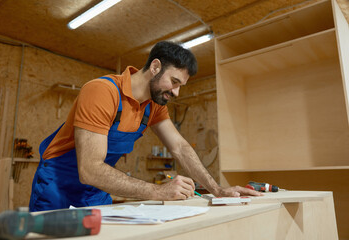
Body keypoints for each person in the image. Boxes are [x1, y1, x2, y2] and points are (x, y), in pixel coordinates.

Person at [29, 41, 261, 212]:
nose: (176, 92)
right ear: (155, 66)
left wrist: (217, 190)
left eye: (182, 86)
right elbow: (89, 169)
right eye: (174, 82)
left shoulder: (154, 106)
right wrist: (158, 191)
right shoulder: (102, 91)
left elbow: (180, 147)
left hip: (94, 191)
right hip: (58, 186)